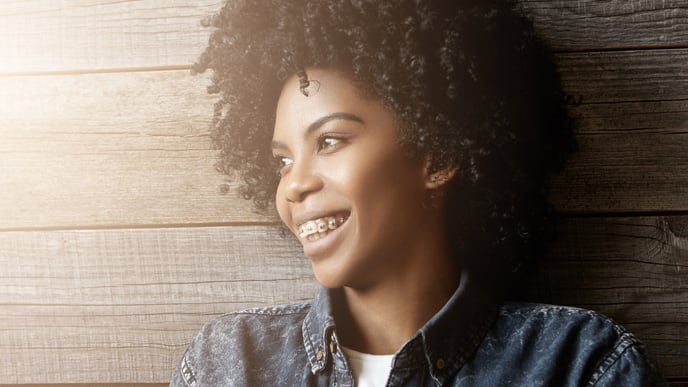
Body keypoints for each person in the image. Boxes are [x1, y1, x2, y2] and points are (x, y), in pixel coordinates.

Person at [171, 0, 667, 385]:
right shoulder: (228, 363)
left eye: (330, 141)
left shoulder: (583, 366)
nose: (295, 184)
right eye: (282, 161)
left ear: (439, 155)